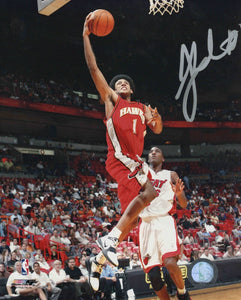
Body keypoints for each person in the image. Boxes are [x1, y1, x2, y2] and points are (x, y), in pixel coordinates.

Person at [83, 11, 162, 287]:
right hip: (120, 158)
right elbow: (94, 70)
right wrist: (86, 36)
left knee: (132, 216)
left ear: (132, 88)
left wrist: (158, 119)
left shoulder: (141, 108)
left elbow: (158, 130)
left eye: (125, 82)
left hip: (135, 162)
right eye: (118, 83)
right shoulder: (112, 102)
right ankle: (109, 240)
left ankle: (99, 260)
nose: (121, 83)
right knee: (149, 193)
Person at [138, 147, 191, 300]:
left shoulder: (170, 174)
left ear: (163, 159)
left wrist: (179, 195)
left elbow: (184, 204)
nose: (153, 153)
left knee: (170, 263)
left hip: (164, 220)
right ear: (147, 158)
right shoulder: (141, 174)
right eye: (151, 152)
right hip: (146, 223)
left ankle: (182, 293)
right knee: (153, 274)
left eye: (157, 151)